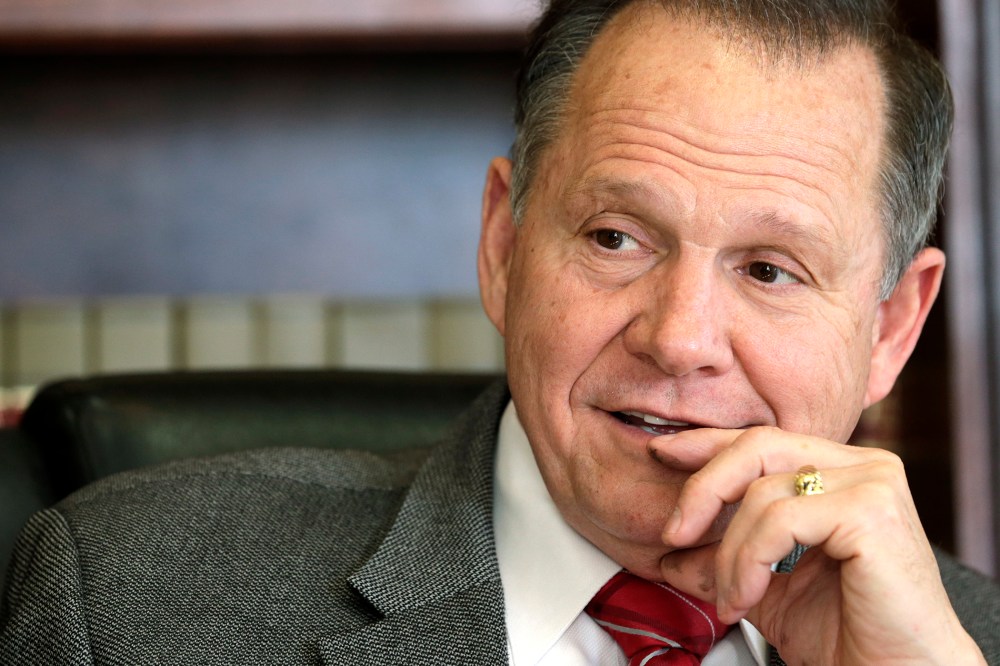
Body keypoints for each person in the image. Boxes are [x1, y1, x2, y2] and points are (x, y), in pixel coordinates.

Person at [2, 0, 999, 664]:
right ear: (504, 246)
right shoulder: (132, 604)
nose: (679, 338)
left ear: (891, 328)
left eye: (770, 270)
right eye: (615, 237)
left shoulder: (967, 643)